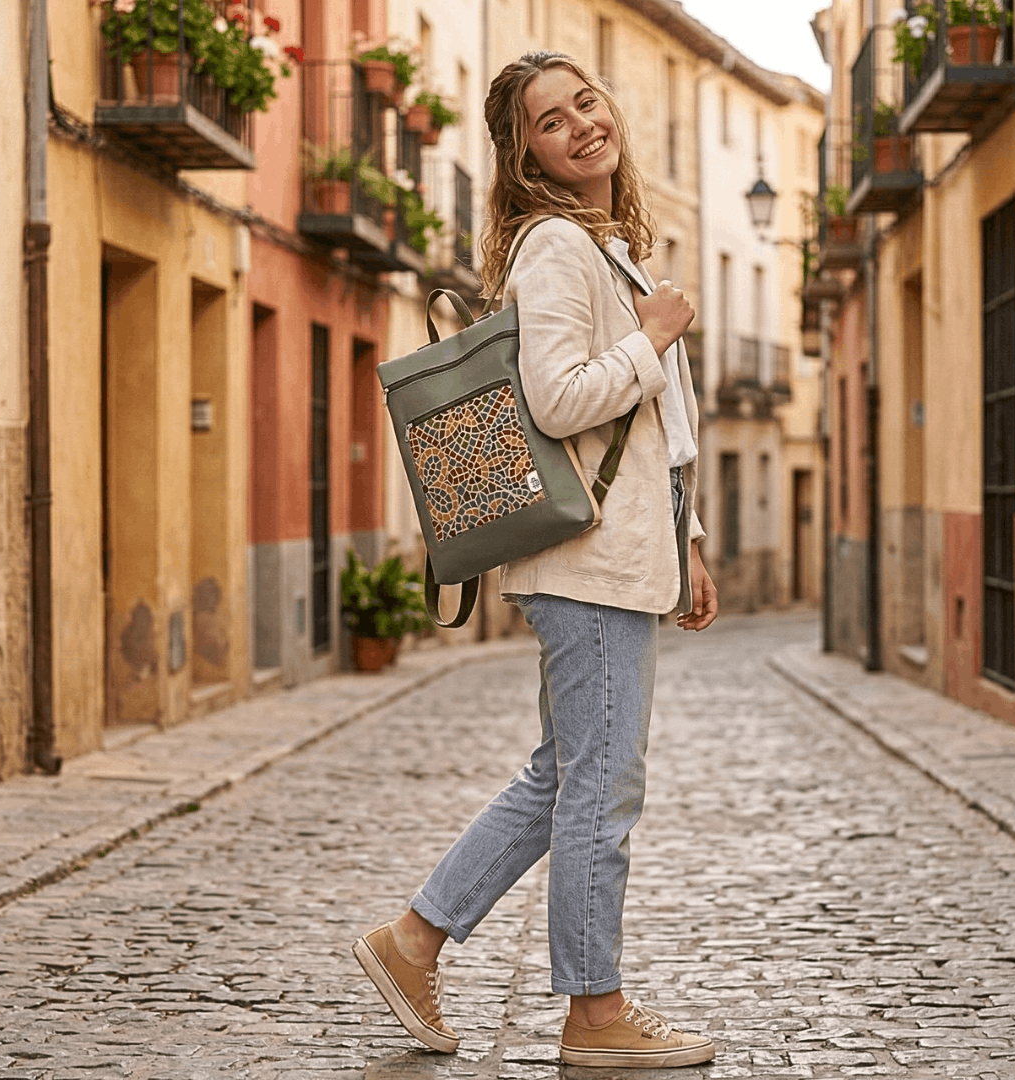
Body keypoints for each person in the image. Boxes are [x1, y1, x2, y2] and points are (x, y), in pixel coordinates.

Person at [353, 50, 719, 1070]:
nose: (581, 125)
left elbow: (655, 434)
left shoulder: (607, 246)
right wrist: (651, 339)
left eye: (586, 102)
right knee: (599, 791)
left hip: (615, 557)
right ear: (527, 157)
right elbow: (559, 402)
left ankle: (412, 941)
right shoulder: (556, 247)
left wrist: (687, 541)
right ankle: (595, 1018)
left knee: (565, 776)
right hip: (586, 564)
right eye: (551, 122)